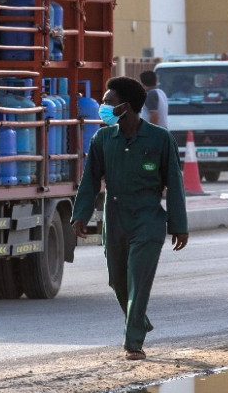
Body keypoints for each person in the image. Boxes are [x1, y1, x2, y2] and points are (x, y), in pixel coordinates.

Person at [71, 76, 189, 361]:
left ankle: (133, 341)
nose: (102, 107)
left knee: (138, 279)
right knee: (117, 280)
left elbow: (175, 182)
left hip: (148, 219)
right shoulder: (102, 139)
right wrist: (81, 215)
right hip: (115, 217)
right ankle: (139, 320)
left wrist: (179, 225)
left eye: (108, 102)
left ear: (125, 107)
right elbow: (89, 181)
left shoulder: (160, 139)